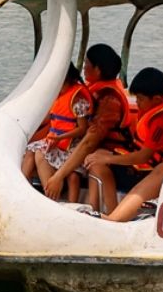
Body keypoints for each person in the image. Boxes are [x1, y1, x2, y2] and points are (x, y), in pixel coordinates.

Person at [88, 67, 163, 221]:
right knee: (95, 159)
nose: (137, 103)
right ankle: (98, 210)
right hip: (142, 163)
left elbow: (143, 156)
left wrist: (108, 159)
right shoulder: (160, 99)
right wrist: (104, 156)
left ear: (156, 100)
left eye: (140, 99)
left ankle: (114, 219)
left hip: (154, 168)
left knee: (100, 161)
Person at [44, 44, 134, 204]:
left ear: (98, 70)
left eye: (87, 65)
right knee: (40, 151)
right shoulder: (92, 91)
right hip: (91, 146)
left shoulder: (109, 101)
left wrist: (59, 176)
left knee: (93, 161)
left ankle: (99, 211)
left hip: (115, 153)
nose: (83, 69)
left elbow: (90, 141)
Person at [23, 63, 91, 202]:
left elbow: (82, 129)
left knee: (41, 153)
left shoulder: (78, 100)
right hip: (57, 141)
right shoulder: (59, 96)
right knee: (30, 150)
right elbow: (50, 117)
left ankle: (51, 196)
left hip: (70, 146)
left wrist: (60, 137)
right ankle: (24, 186)